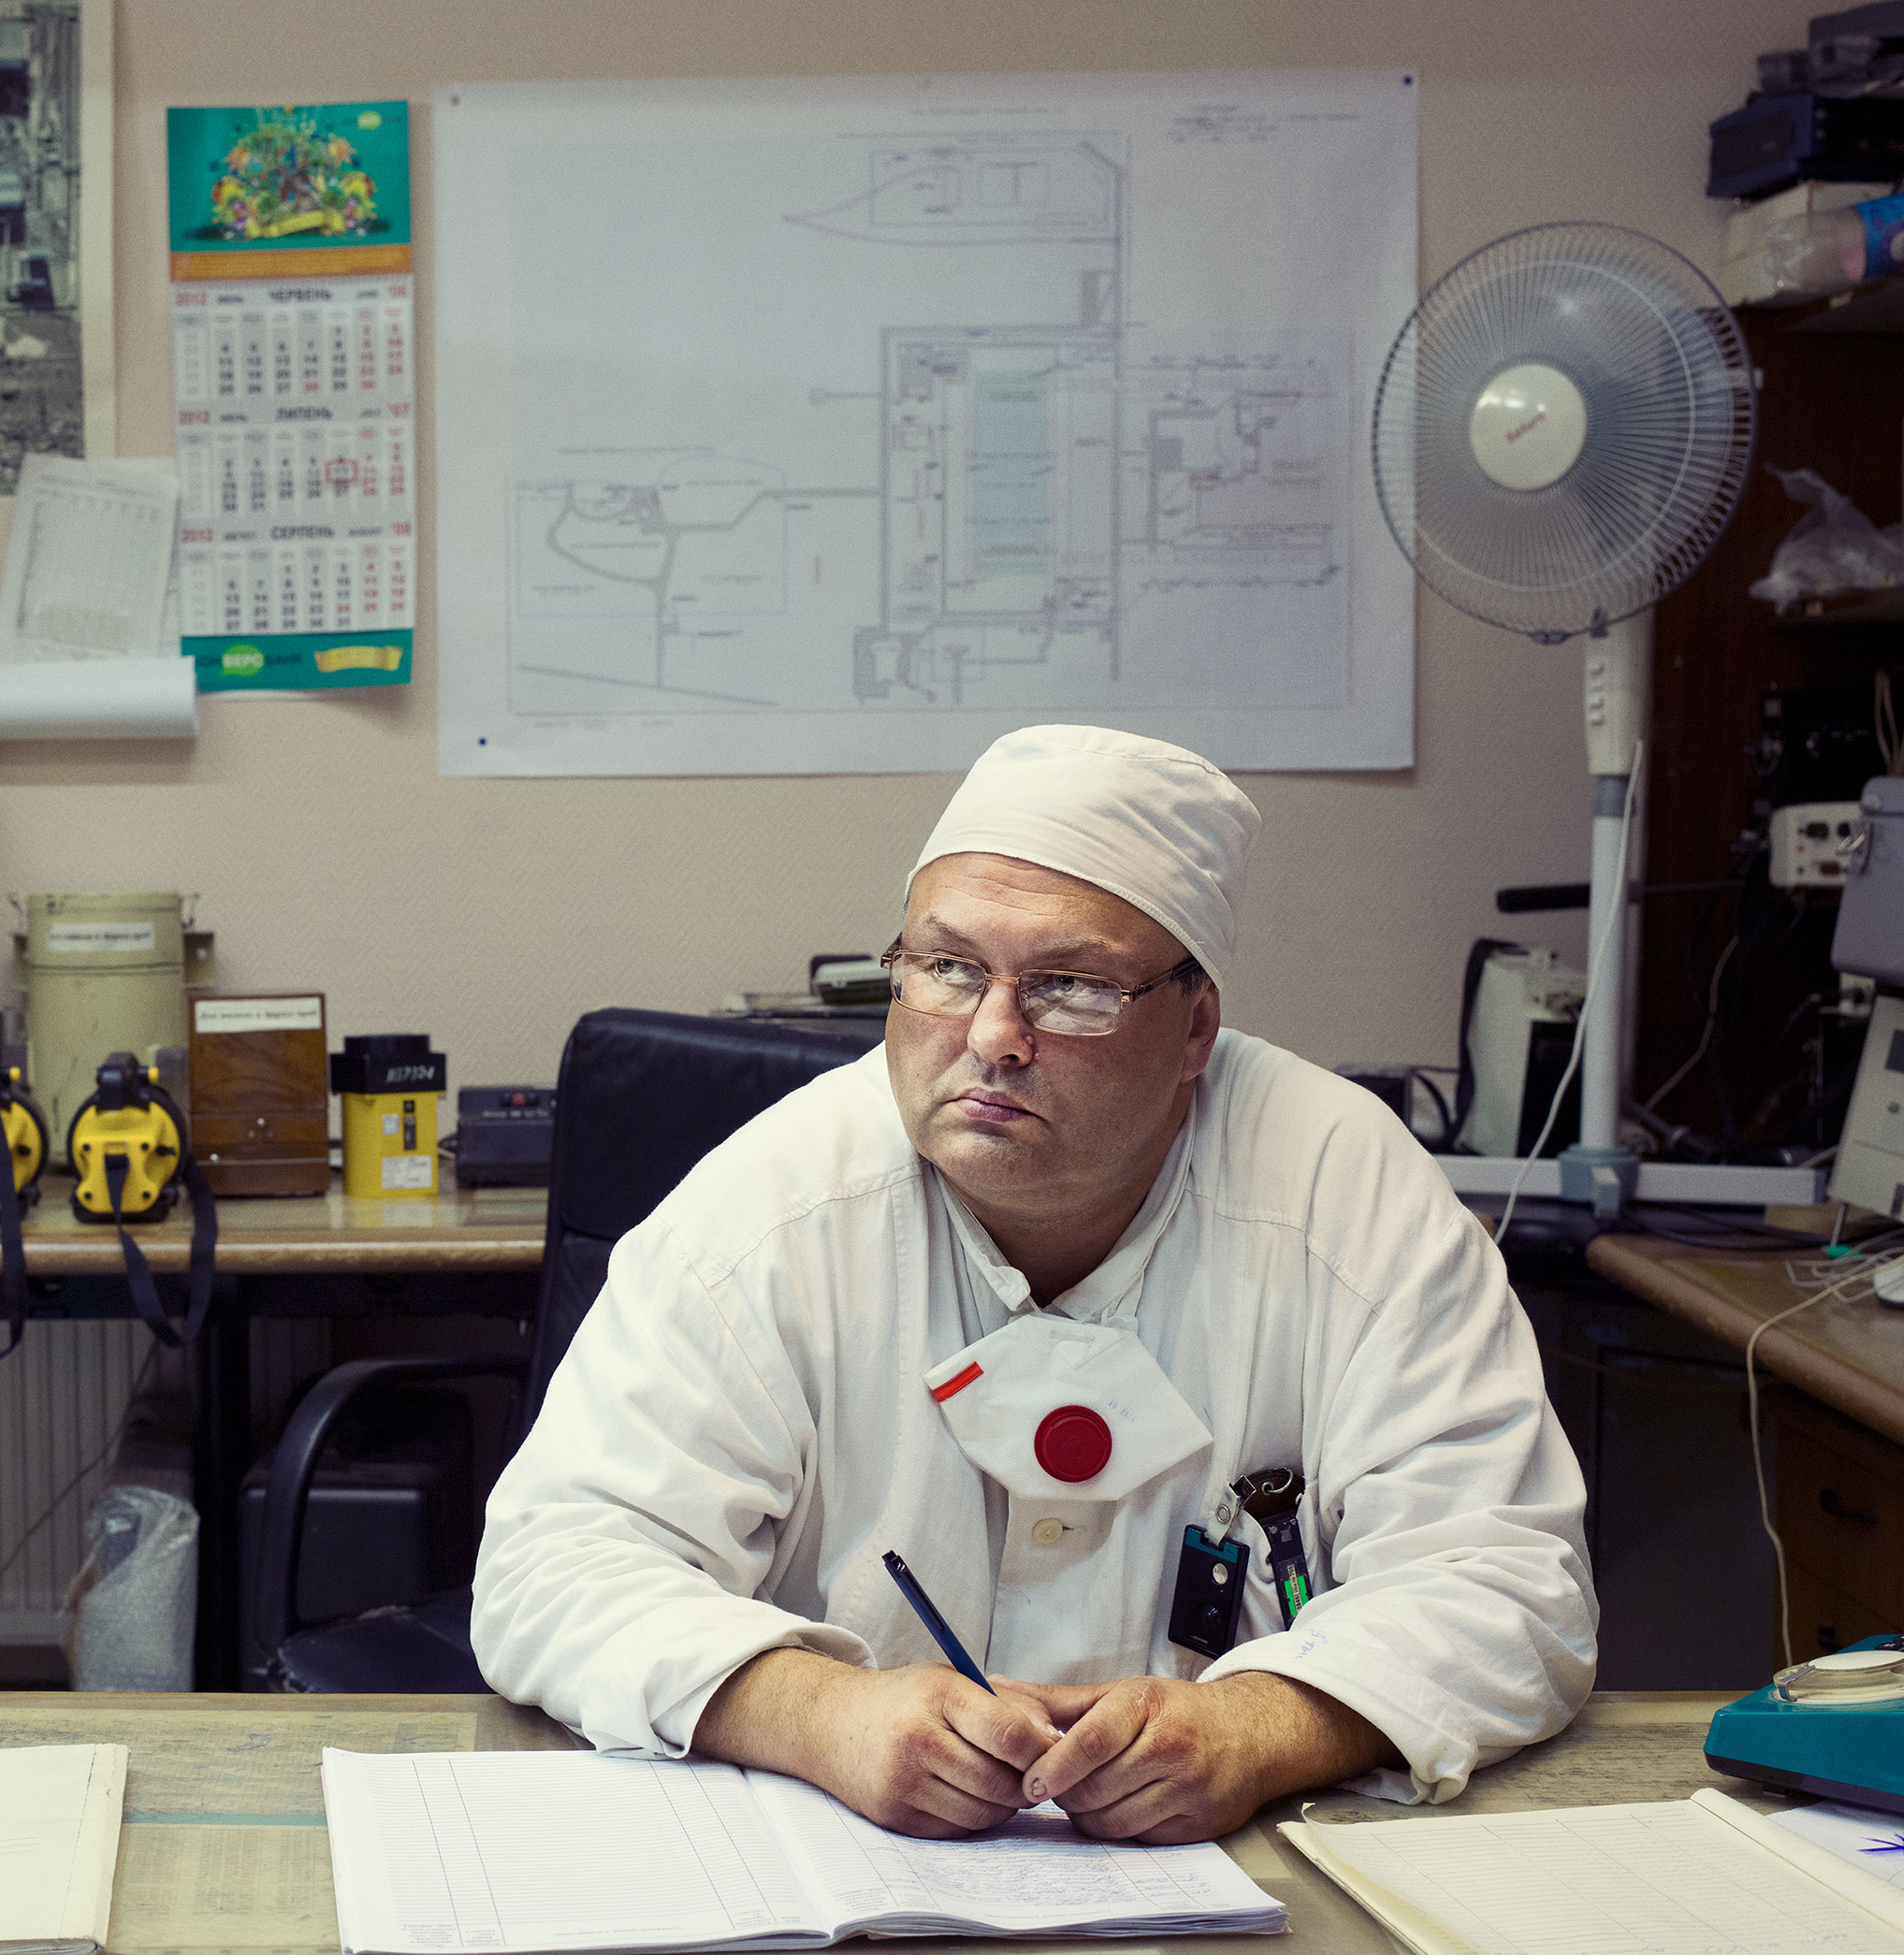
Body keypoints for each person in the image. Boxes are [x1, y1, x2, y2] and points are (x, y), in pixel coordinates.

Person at [471, 725, 1594, 1845]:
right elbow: (555, 1566)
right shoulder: (774, 1205)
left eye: (1070, 986)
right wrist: (820, 1714)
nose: (994, 1035)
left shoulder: (1343, 1192)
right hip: (842, 1870)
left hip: (1254, 1877)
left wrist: (1262, 1726)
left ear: (1195, 1026)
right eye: (948, 968)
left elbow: (1507, 1584)